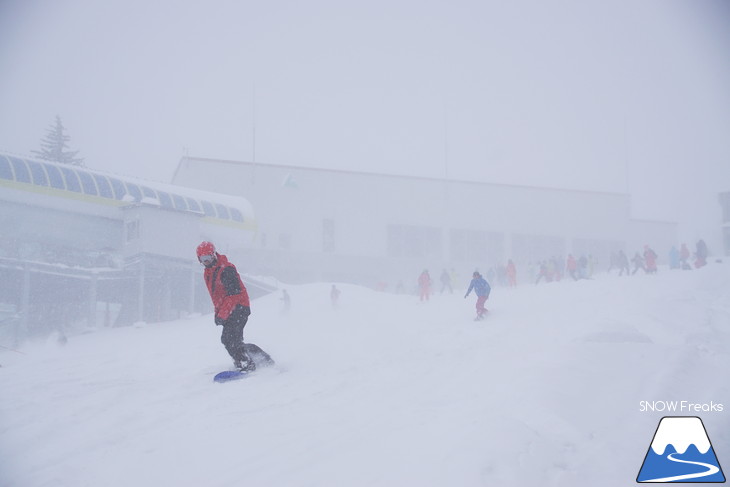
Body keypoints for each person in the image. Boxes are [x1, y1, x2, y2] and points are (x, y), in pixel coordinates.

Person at [196, 241, 273, 372]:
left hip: (239, 307)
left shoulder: (226, 269)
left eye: (208, 257)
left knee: (229, 339)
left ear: (214, 254)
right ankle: (260, 359)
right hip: (229, 309)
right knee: (232, 340)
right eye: (203, 259)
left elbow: (234, 295)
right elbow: (218, 297)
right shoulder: (209, 272)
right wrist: (218, 313)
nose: (206, 261)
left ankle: (246, 364)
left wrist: (222, 314)